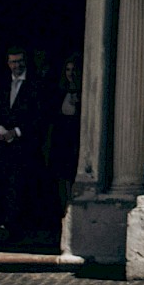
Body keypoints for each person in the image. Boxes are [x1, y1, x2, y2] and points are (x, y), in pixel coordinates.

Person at [0, 46, 43, 245]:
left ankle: (16, 229)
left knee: (19, 188)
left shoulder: (35, 85)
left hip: (24, 146)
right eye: (13, 61)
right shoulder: (1, 84)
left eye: (20, 61)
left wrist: (16, 132)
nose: (16, 65)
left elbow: (38, 115)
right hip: (0, 145)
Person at [44, 55, 81, 228]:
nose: (70, 74)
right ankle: (62, 210)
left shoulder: (83, 93)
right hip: (61, 138)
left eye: (74, 70)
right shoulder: (59, 92)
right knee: (61, 175)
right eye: (68, 70)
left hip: (76, 138)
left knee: (72, 174)